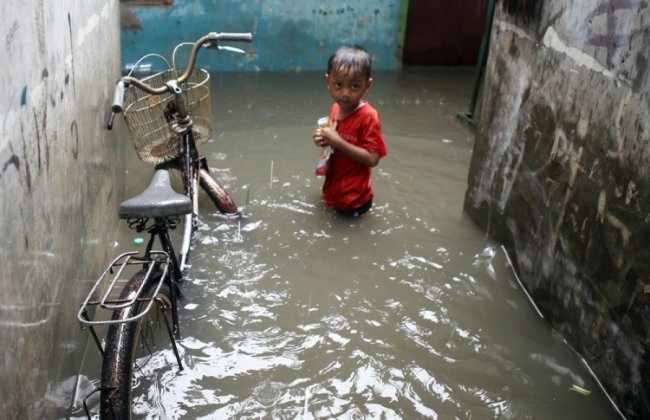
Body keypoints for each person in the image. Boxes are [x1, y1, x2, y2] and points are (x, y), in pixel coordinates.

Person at [312, 45, 387, 217]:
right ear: (328, 81)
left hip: (355, 200)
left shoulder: (369, 117)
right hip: (333, 190)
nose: (345, 93)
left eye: (355, 86)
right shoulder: (335, 108)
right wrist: (322, 139)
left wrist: (337, 141)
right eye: (338, 84)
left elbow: (373, 159)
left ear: (367, 85)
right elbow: (333, 142)